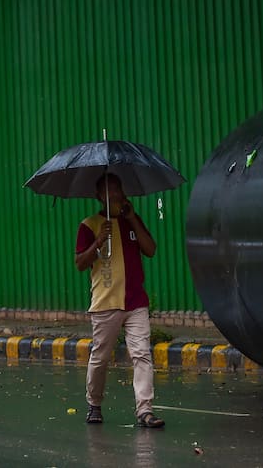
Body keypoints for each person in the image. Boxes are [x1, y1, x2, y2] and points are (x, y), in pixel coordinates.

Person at [75, 173, 166, 428]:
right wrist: (98, 242)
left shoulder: (131, 220)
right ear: (99, 196)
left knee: (142, 355)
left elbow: (150, 249)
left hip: (136, 302)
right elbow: (80, 263)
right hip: (106, 303)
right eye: (110, 191)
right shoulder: (89, 225)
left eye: (118, 189)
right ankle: (94, 403)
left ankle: (145, 410)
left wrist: (132, 220)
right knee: (100, 357)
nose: (116, 195)